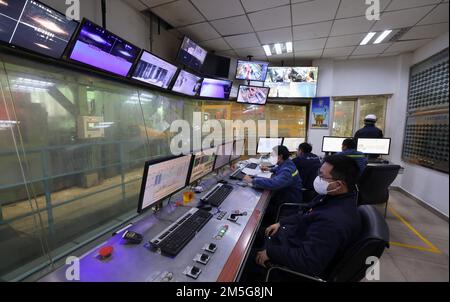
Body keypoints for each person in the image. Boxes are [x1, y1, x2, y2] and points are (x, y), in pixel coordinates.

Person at [249, 155, 362, 280]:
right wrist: (282, 222)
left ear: (339, 184)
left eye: (322, 176)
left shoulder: (333, 221)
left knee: (240, 258)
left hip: (285, 265)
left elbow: (308, 262)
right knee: (253, 233)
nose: (318, 179)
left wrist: (270, 252)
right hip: (292, 237)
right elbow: (307, 213)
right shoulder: (333, 197)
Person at [243, 145, 303, 222]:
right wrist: (270, 169)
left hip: (287, 204)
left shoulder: (287, 171)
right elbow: (279, 168)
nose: (271, 157)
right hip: (285, 196)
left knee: (256, 209)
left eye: (273, 155)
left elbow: (274, 183)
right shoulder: (288, 163)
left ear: (280, 156)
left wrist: (252, 181)